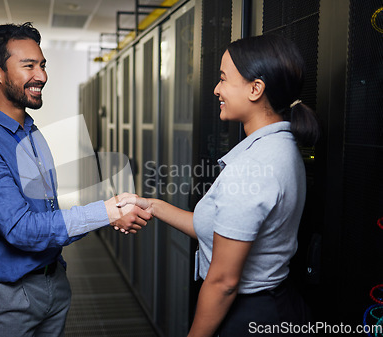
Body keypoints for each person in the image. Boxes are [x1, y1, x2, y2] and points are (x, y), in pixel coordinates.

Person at [0, 22, 150, 337]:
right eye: (28, 66)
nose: (41, 75)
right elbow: (21, 229)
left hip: (51, 285)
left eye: (42, 65)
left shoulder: (30, 131)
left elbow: (47, 214)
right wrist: (105, 213)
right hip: (5, 300)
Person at [118, 34, 320, 336]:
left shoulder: (254, 167)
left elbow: (224, 281)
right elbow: (219, 229)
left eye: (224, 79)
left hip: (248, 314)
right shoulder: (281, 145)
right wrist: (154, 206)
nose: (216, 89)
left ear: (256, 89)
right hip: (273, 304)